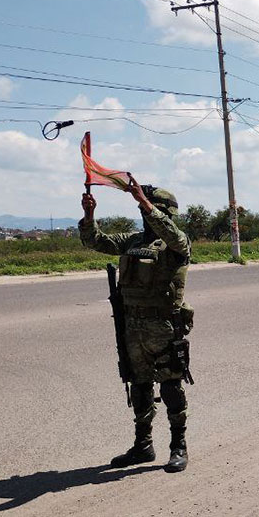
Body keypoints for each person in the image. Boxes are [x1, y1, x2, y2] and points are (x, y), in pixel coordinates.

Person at [80, 176, 194, 473]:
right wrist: (89, 216)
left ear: (164, 213)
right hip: (133, 326)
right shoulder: (132, 241)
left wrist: (144, 202)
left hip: (163, 326)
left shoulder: (176, 243)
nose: (144, 215)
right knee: (139, 385)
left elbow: (173, 237)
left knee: (170, 386)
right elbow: (95, 241)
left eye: (151, 210)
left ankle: (178, 446)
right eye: (143, 210)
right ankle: (143, 446)